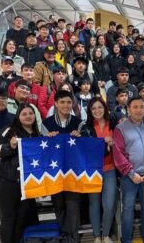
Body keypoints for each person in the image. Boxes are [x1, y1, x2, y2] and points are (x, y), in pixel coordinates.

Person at [113, 97, 144, 243]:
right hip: (129, 177)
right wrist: (130, 173)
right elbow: (118, 153)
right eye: (135, 107)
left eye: (142, 107)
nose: (139, 110)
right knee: (128, 210)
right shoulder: (120, 129)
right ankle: (126, 240)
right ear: (128, 109)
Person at [0, 103, 40, 243]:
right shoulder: (9, 130)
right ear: (18, 116)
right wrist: (10, 146)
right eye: (24, 114)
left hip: (26, 185)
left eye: (30, 113)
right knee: (8, 220)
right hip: (6, 183)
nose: (28, 116)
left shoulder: (37, 133)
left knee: (21, 219)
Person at [41, 90, 83, 243]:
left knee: (72, 206)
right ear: (56, 104)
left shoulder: (78, 123)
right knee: (59, 206)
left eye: (69, 102)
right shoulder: (47, 124)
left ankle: (74, 237)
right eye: (63, 102)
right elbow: (42, 149)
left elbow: (83, 148)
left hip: (73, 172)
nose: (66, 105)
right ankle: (63, 235)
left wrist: (80, 137)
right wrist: (48, 139)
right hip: (55, 173)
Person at [80, 97, 117, 243]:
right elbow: (85, 149)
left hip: (110, 169)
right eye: (94, 108)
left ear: (105, 108)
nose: (97, 111)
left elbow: (119, 144)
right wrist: (104, 142)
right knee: (94, 203)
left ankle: (106, 235)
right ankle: (96, 236)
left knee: (108, 205)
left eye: (100, 107)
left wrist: (111, 143)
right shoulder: (85, 127)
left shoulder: (113, 124)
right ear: (89, 111)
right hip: (92, 170)